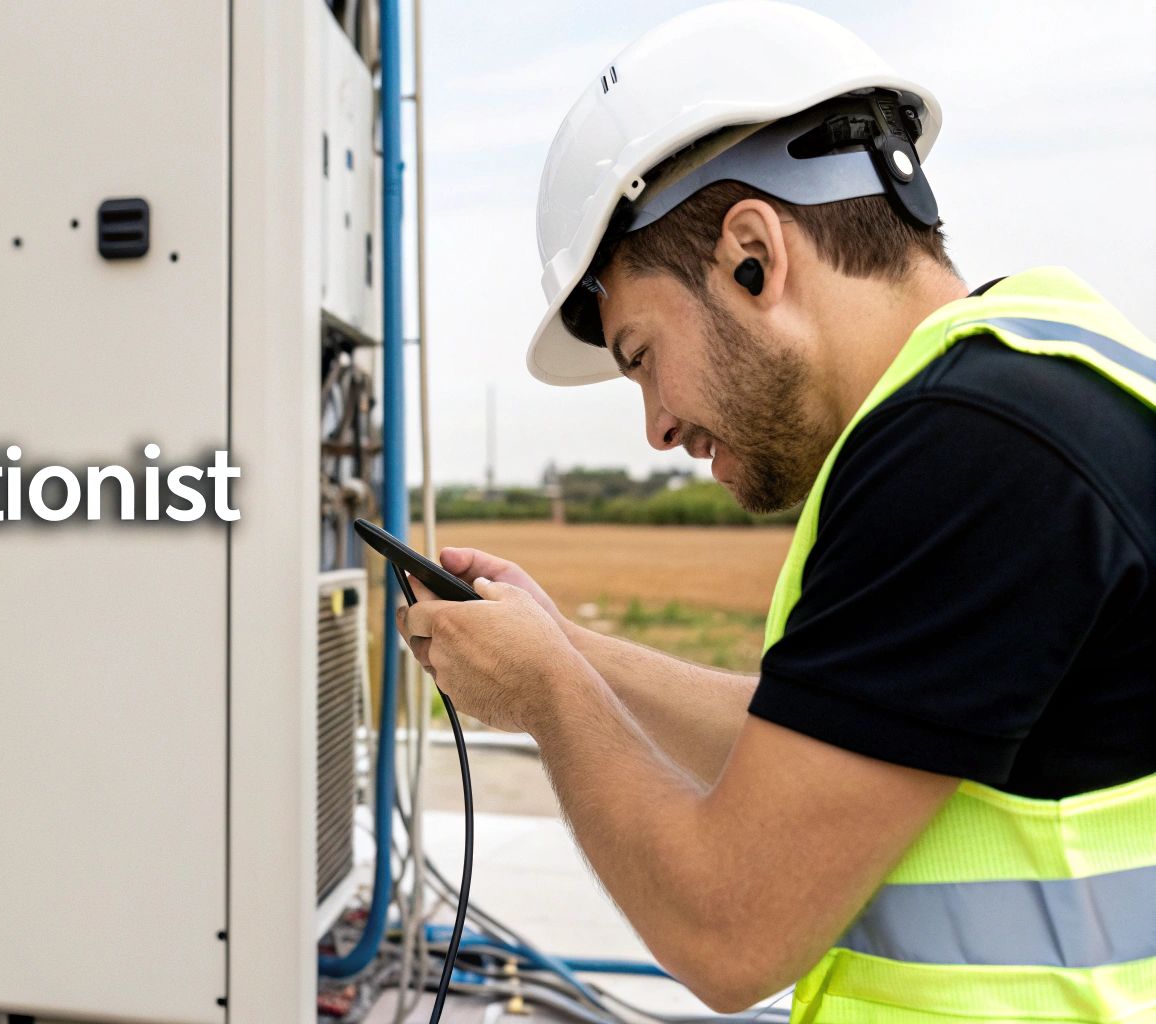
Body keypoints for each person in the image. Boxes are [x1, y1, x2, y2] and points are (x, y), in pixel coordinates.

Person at [396, 4, 1156, 1020]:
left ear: (752, 255)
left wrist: (546, 697)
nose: (656, 428)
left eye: (638, 359)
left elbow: (727, 929)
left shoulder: (963, 452)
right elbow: (801, 750)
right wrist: (567, 649)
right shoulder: (1031, 394)